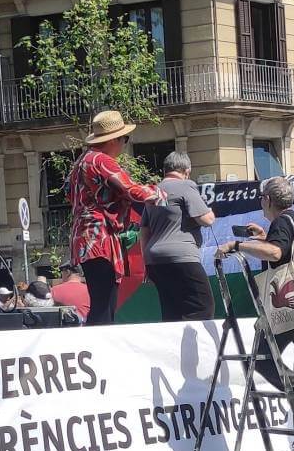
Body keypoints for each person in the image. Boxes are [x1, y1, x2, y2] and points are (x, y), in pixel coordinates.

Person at [216, 176, 294, 451]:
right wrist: (263, 237)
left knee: (259, 357)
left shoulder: (283, 223)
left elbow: (277, 252)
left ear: (267, 200)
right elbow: (280, 247)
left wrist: (238, 245)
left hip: (293, 306)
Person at [68, 110, 165, 325]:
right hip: (99, 238)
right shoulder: (102, 161)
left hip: (85, 238)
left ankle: (98, 348)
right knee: (105, 303)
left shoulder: (81, 162)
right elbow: (131, 190)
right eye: (124, 139)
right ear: (113, 140)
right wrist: (160, 193)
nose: (124, 144)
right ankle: (100, 351)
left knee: (102, 300)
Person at [140, 151, 216, 322]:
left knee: (172, 310)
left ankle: (174, 347)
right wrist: (210, 211)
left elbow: (144, 231)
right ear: (187, 171)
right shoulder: (185, 186)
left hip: (155, 260)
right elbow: (206, 220)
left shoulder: (155, 191)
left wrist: (146, 262)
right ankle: (195, 348)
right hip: (182, 257)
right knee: (203, 307)